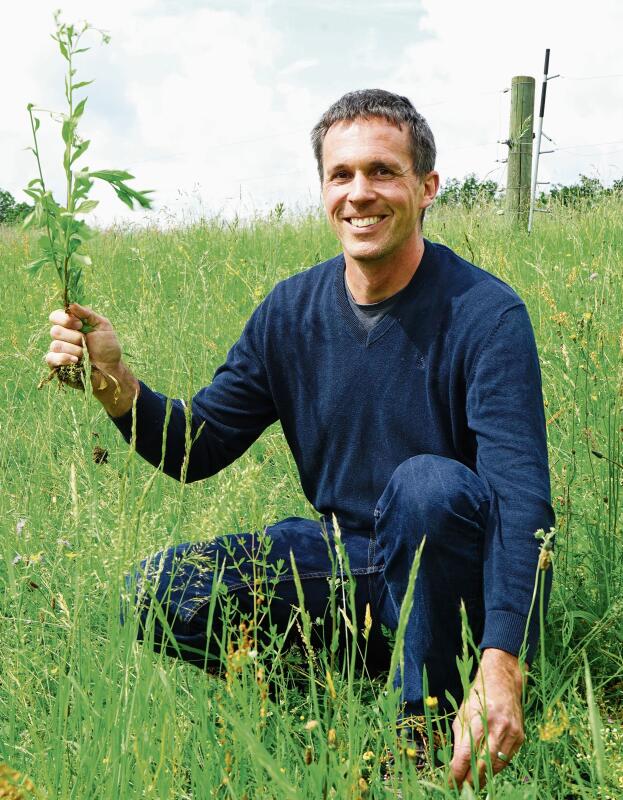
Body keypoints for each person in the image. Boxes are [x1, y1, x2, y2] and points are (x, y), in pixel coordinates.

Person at [45, 89, 553, 789]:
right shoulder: (290, 310)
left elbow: (521, 504)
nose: (359, 193)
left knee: (427, 486)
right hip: (345, 563)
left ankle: (425, 733)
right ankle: (326, 690)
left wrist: (503, 659)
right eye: (340, 175)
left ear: (426, 187)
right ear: (322, 190)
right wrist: (113, 380)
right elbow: (199, 446)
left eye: (382, 171)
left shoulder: (486, 314)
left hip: (446, 569)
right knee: (162, 588)